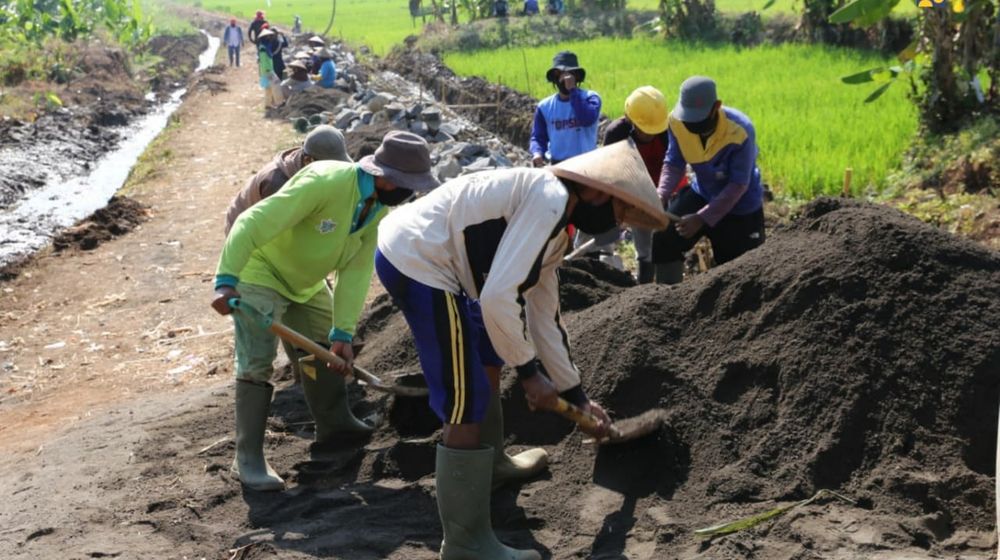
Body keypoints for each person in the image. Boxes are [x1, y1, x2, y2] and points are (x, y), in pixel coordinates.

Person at [375, 140, 667, 559]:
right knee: (466, 395)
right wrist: (530, 375)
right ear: (599, 193)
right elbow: (497, 298)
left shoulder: (556, 227)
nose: (617, 226)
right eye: (619, 214)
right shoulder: (548, 198)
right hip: (418, 259)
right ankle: (466, 545)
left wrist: (576, 396)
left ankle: (490, 465)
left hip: (443, 265)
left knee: (491, 352)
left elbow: (543, 316)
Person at [211, 131, 440, 492]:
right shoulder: (325, 181)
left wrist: (342, 334)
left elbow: (356, 271)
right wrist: (226, 279)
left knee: (322, 344)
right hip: (261, 269)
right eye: (409, 185)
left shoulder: (377, 209)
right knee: (257, 359)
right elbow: (250, 223)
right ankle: (249, 458)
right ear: (385, 177)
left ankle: (335, 422)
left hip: (306, 281)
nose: (410, 193)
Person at [652, 76, 765, 284]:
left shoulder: (740, 130)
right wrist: (661, 193)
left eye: (699, 119)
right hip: (703, 192)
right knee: (664, 238)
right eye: (689, 119)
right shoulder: (676, 122)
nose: (692, 124)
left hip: (740, 206)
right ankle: (665, 302)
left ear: (716, 107)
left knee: (738, 273)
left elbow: (739, 184)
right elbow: (674, 162)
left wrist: (702, 218)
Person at [604, 86, 688, 284]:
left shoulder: (668, 131)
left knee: (669, 239)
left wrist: (663, 195)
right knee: (644, 245)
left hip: (667, 187)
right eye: (644, 130)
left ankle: (671, 282)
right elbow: (611, 172)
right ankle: (644, 287)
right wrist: (622, 204)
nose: (649, 135)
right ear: (630, 119)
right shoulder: (617, 134)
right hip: (635, 190)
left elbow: (675, 166)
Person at [225, 125, 351, 235]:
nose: (335, 170)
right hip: (246, 232)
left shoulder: (307, 165)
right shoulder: (277, 184)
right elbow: (277, 234)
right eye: (330, 166)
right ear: (308, 160)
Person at [529, 51, 601, 167]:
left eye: (569, 74)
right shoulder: (544, 107)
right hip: (559, 166)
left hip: (587, 165)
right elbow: (538, 137)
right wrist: (537, 153)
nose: (565, 78)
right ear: (554, 78)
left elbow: (586, 119)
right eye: (560, 74)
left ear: (576, 76)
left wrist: (573, 91)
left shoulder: (591, 98)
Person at [256, 28, 283, 109]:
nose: (270, 38)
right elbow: (264, 60)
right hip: (268, 70)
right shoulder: (263, 48)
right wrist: (268, 69)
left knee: (268, 88)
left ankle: (267, 104)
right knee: (276, 83)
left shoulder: (264, 46)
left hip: (266, 69)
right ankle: (279, 102)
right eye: (268, 37)